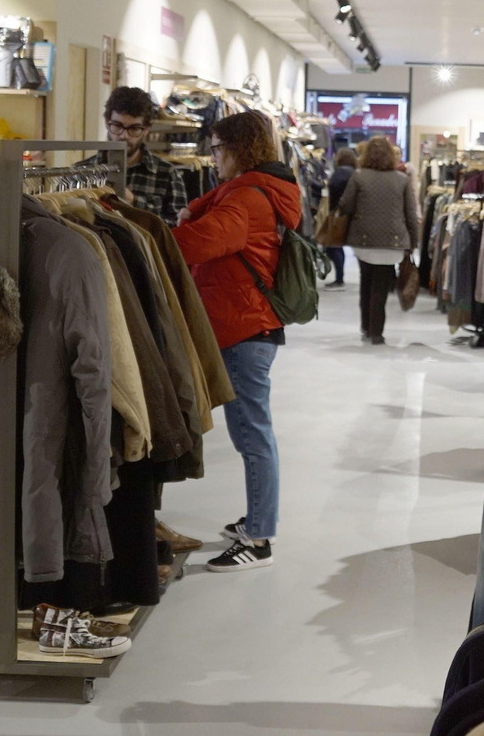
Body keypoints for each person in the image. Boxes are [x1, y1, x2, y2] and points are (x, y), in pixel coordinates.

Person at [172, 111, 302, 573]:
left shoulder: (247, 199)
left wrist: (154, 236)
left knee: (252, 434)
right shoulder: (252, 191)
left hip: (243, 327)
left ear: (237, 150)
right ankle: (257, 519)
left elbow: (198, 244)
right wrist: (194, 209)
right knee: (250, 431)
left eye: (217, 149)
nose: (213, 159)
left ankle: (260, 538)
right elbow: (214, 211)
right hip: (244, 324)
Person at [339, 137, 419, 345]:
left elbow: (345, 205)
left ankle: (366, 326)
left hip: (363, 239)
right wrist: (413, 242)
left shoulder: (358, 176)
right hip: (392, 241)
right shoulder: (402, 179)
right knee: (381, 286)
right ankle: (376, 332)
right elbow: (410, 213)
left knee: (366, 281)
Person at [92, 86, 189, 226]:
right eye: (117, 126)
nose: (124, 136)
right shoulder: (82, 170)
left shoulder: (168, 175)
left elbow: (176, 230)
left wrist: (134, 203)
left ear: (146, 130)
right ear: (107, 123)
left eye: (134, 129)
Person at [323, 148, 358, 288]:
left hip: (338, 213)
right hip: (347, 213)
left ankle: (339, 278)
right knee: (335, 246)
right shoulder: (354, 171)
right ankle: (339, 277)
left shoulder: (341, 172)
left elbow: (333, 188)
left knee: (333, 245)